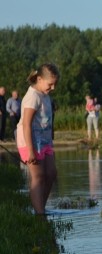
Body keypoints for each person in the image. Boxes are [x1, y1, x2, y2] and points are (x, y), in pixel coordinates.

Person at [16, 63, 59, 215]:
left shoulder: (45, 95)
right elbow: (26, 124)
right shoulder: (32, 96)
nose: (53, 88)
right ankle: (39, 213)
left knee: (51, 174)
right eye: (50, 84)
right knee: (38, 176)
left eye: (55, 84)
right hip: (31, 141)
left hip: (45, 141)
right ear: (39, 79)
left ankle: (40, 207)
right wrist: (30, 151)